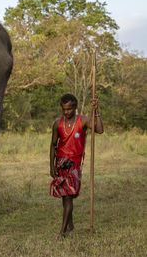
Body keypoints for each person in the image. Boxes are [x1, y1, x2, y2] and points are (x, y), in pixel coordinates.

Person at [49, 93, 103, 238]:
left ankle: (62, 232)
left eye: (69, 109)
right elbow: (53, 145)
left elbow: (99, 129)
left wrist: (96, 110)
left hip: (74, 164)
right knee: (64, 197)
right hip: (60, 164)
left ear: (75, 107)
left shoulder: (83, 121)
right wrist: (52, 166)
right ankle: (70, 225)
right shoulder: (57, 123)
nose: (66, 112)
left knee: (68, 197)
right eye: (64, 109)